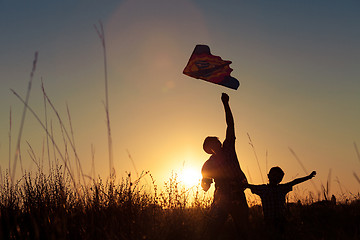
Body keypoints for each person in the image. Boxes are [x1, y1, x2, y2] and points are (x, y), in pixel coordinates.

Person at [201, 93, 249, 240]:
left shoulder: (229, 148)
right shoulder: (208, 165)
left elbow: (230, 125)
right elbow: (205, 185)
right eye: (213, 143)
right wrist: (205, 183)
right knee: (213, 231)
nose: (218, 142)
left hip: (237, 194)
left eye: (217, 140)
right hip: (221, 197)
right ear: (209, 149)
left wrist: (226, 104)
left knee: (244, 231)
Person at [247, 167, 316, 239]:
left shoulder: (281, 188)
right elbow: (249, 186)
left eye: (278, 177)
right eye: (274, 176)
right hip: (269, 222)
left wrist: (308, 177)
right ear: (268, 176)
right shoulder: (263, 189)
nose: (275, 178)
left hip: (280, 221)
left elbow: (295, 181)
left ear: (280, 179)